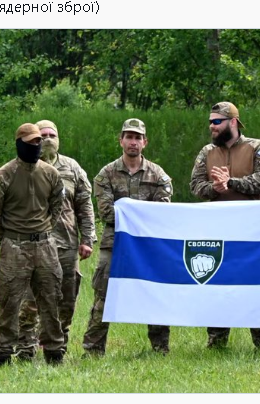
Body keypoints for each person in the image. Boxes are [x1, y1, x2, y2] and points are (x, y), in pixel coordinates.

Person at [82, 118, 173, 356]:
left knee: (155, 292)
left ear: (145, 142)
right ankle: (93, 350)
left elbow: (161, 213)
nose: (133, 142)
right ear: (121, 140)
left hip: (149, 246)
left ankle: (160, 349)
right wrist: (141, 215)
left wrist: (128, 212)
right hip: (115, 244)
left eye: (137, 138)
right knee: (103, 295)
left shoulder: (158, 175)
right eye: (129, 137)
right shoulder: (106, 174)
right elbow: (106, 213)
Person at [189, 101, 260, 349]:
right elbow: (195, 185)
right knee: (217, 283)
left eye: (217, 121)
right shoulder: (207, 152)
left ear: (233, 122)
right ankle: (216, 343)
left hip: (252, 231)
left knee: (254, 284)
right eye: (210, 122)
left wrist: (232, 183)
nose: (212, 126)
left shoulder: (257, 147)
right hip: (218, 230)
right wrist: (214, 188)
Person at [0, 123, 66, 365]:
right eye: (30, 142)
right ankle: (2, 353)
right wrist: (8, 237)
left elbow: (56, 207)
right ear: (19, 143)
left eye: (38, 141)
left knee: (51, 300)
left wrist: (43, 231)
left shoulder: (50, 174)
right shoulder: (4, 175)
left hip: (45, 247)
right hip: (14, 247)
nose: (36, 145)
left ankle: (54, 352)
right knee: (9, 302)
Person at [17, 120, 96, 360]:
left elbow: (85, 205)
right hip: (31, 245)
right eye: (43, 135)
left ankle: (57, 346)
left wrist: (87, 238)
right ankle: (25, 348)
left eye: (53, 135)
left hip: (66, 245)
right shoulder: (22, 167)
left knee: (65, 299)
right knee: (29, 300)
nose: (48, 139)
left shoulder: (72, 168)